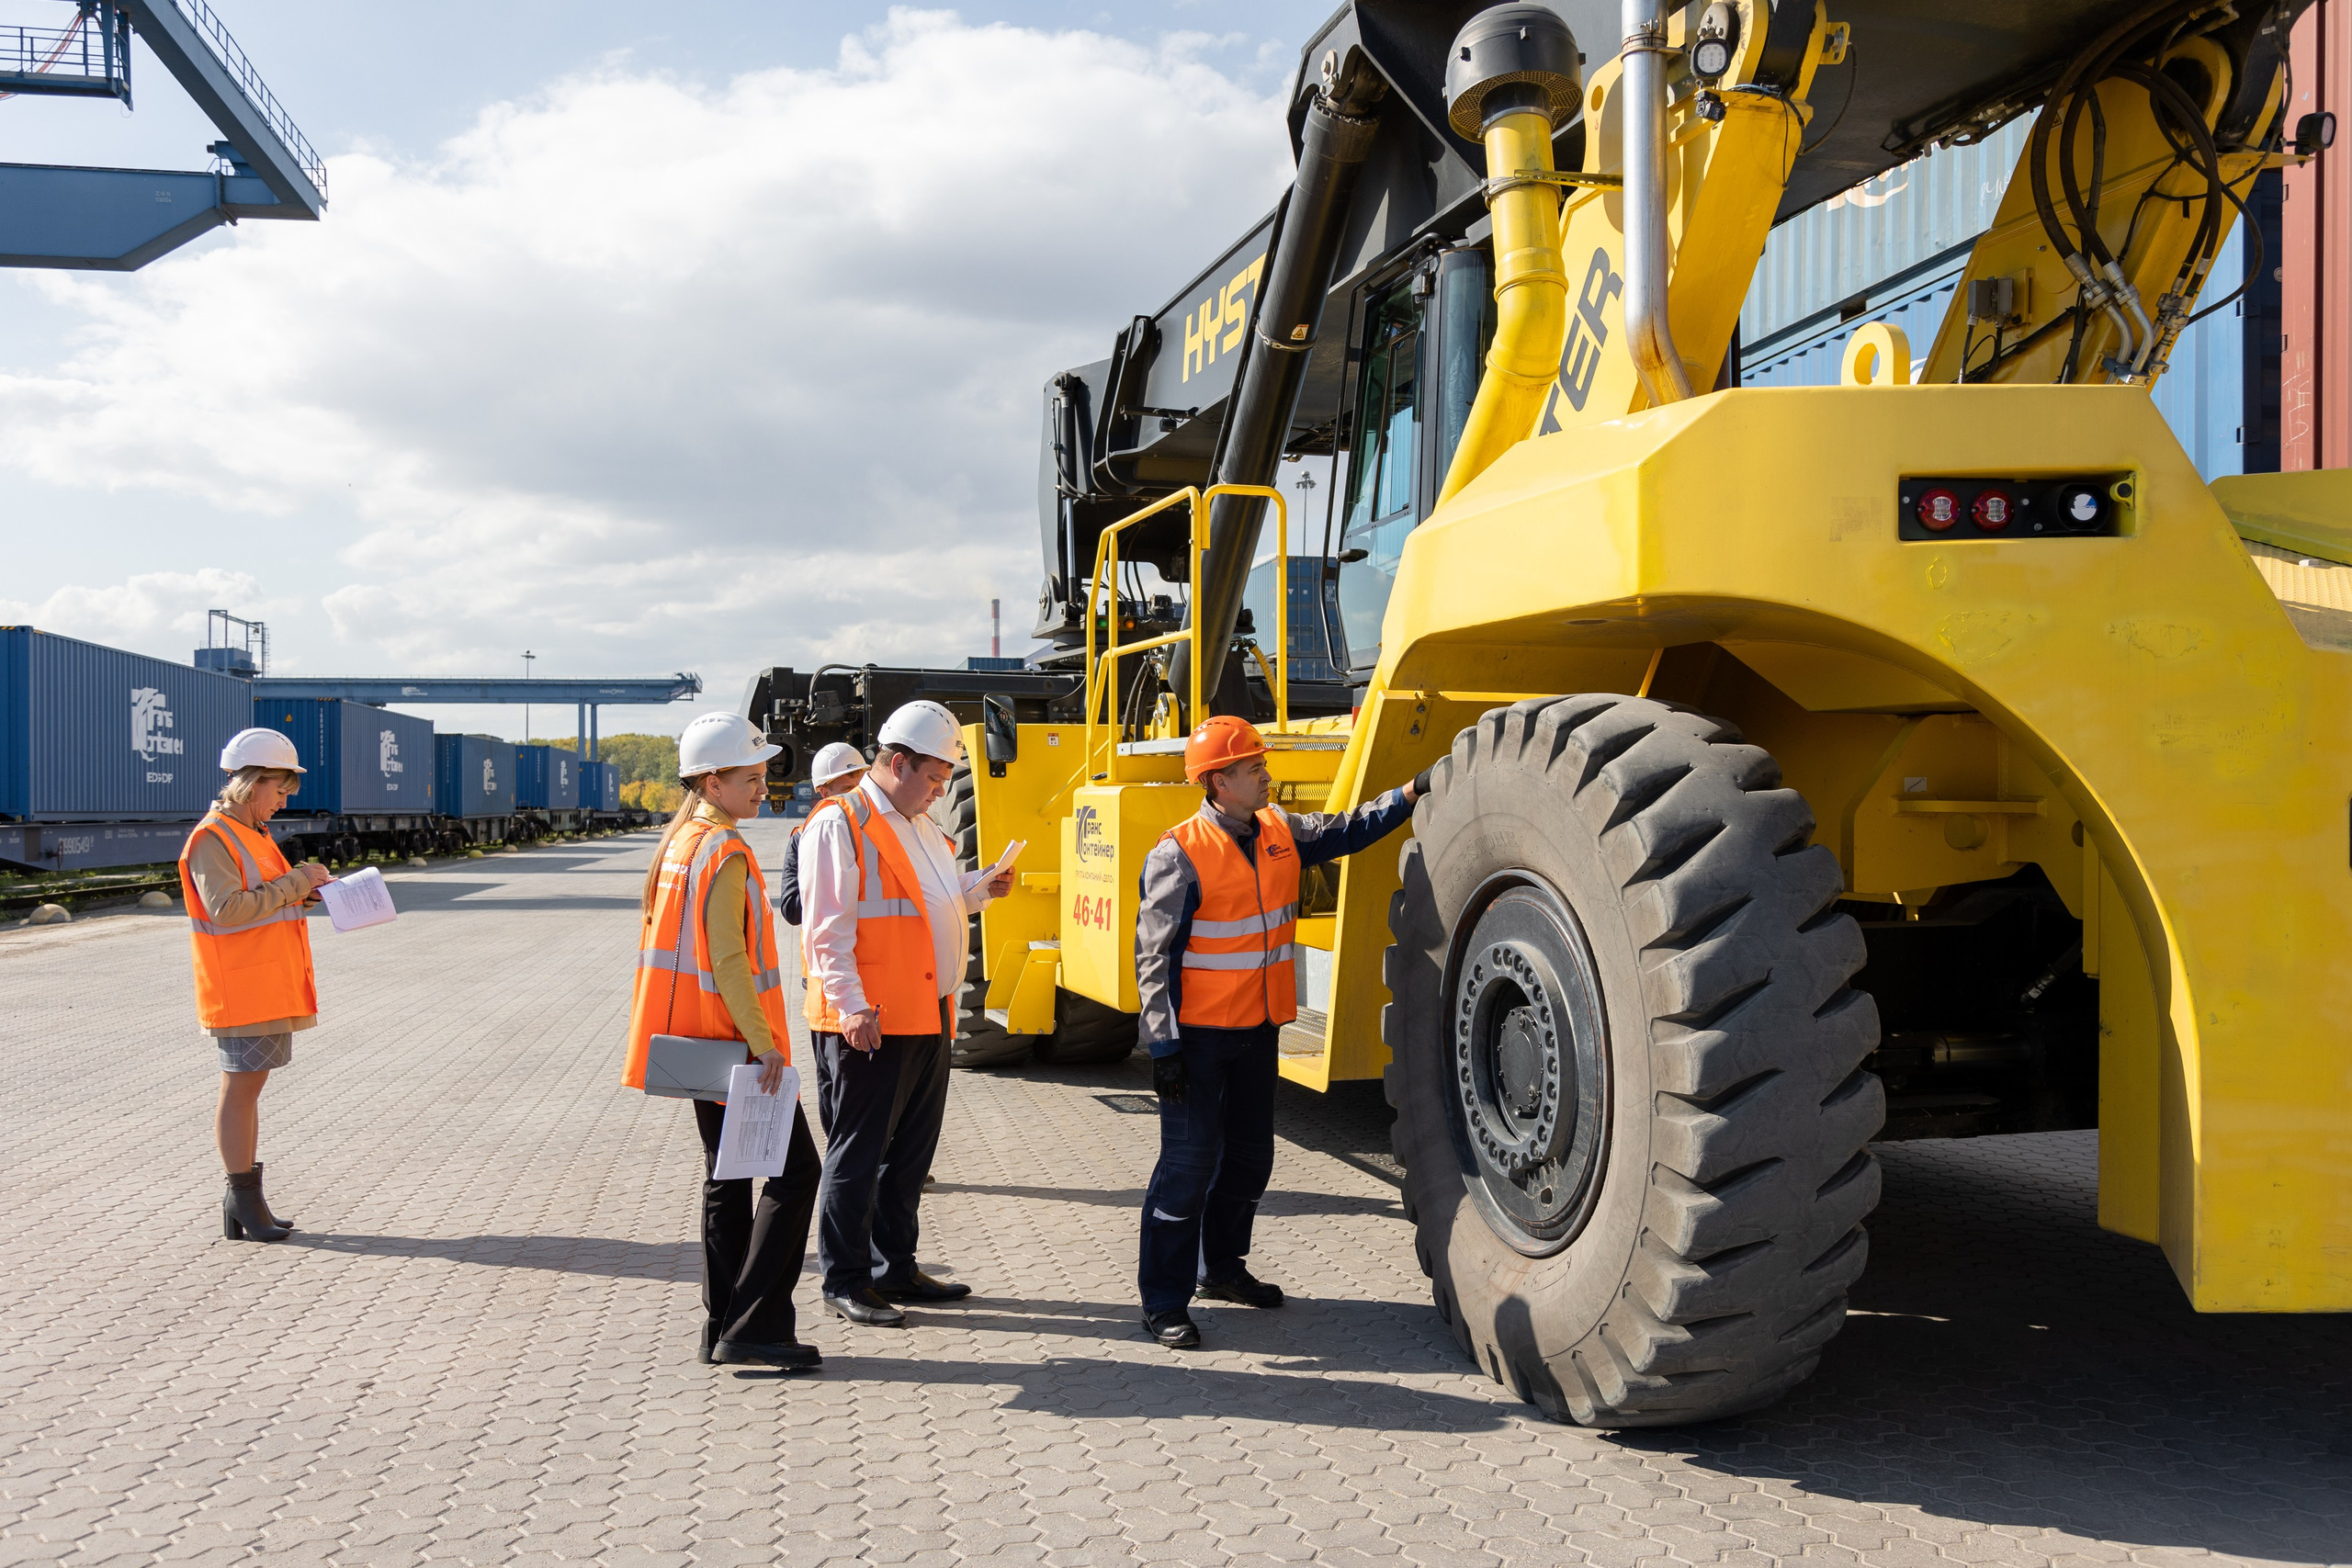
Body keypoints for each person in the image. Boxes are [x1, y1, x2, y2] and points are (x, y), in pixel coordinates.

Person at [1132, 716, 1425, 1349]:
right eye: (1254, 767)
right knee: (1187, 1166)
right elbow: (1153, 959)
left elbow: (1349, 829)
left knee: (1248, 1159)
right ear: (1218, 781)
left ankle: (1222, 1269)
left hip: (1257, 1031)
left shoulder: (1280, 830)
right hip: (1198, 1041)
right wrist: (1163, 1047)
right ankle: (1163, 1301)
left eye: (1263, 764)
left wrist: (1409, 794)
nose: (1267, 775)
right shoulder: (1177, 853)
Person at [799, 700, 1012, 1326]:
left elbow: (929, 904)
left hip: (928, 1011)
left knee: (910, 1155)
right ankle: (845, 1278)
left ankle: (896, 1266)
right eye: (935, 777)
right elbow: (825, 931)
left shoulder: (921, 825)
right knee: (859, 1154)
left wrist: (977, 891)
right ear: (898, 763)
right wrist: (851, 1007)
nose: (941, 790)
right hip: (871, 1019)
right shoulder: (840, 823)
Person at [621, 712, 824, 1371]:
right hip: (738, 1048)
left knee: (728, 1178)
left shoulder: (681, 843)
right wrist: (765, 1045)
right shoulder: (725, 852)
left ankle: (722, 1322)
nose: (764, 787)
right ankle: (756, 1324)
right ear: (713, 782)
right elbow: (730, 960)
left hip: (700, 1045)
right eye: (752, 778)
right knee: (798, 1173)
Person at [180, 728, 333, 1243]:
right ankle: (242, 1199)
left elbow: (265, 896)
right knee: (241, 1089)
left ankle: (244, 1201)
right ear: (252, 782)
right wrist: (297, 882)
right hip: (240, 986)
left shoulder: (255, 833)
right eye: (280, 790)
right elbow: (225, 909)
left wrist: (305, 893)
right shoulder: (212, 838)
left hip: (266, 982)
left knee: (250, 1087)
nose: (284, 801)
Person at [777, 741, 868, 928]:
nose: (856, 795)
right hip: (830, 943)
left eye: (860, 788)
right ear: (825, 793)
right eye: (847, 789)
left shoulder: (883, 829)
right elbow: (792, 910)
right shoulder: (802, 837)